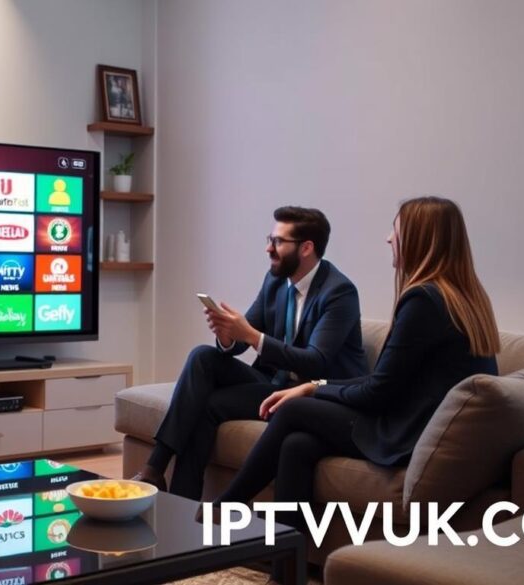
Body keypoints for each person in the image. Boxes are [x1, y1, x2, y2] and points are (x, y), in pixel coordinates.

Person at [213, 196, 501, 584]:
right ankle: (287, 572)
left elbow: (378, 393)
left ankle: (222, 511)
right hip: (421, 423)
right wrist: (316, 386)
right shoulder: (465, 296)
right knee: (297, 445)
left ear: (419, 239)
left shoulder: (423, 300)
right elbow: (384, 381)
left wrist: (312, 391)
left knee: (293, 413)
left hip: (409, 433)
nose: (388, 239)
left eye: (395, 231)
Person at [132, 206, 369, 499]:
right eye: (269, 239)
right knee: (202, 356)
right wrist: (228, 335)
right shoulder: (276, 281)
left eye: (278, 242)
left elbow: (316, 361)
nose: (268, 248)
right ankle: (158, 474)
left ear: (307, 247)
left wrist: (251, 335)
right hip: (275, 383)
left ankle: (180, 498)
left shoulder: (339, 292)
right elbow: (245, 338)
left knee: (207, 407)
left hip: (313, 395)